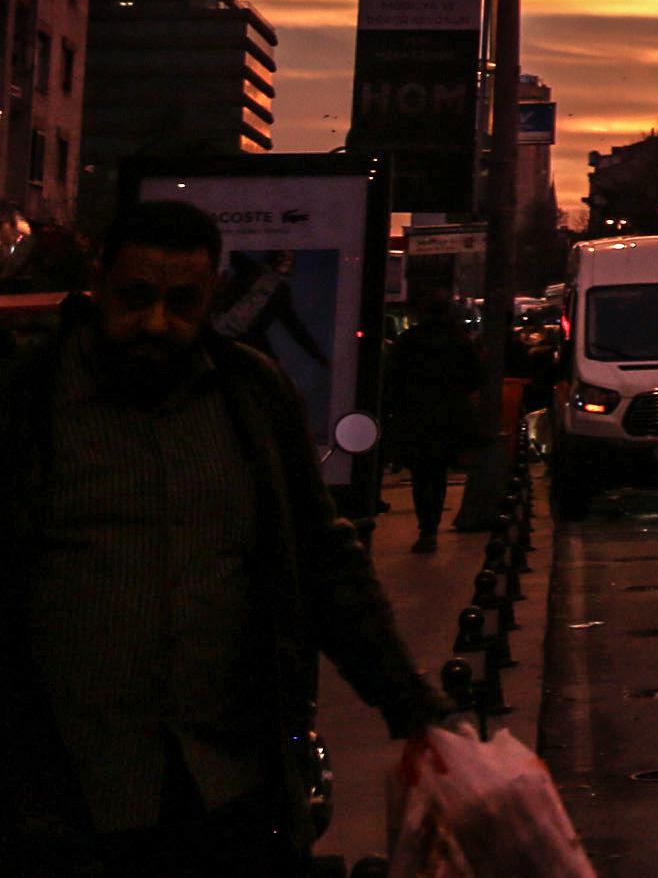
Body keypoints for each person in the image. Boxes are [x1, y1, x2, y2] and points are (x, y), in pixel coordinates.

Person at [1, 199, 449, 876]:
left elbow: (323, 560)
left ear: (211, 295)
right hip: (66, 800)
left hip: (230, 792)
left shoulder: (252, 399)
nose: (156, 321)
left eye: (182, 302)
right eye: (136, 296)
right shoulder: (29, 402)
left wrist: (411, 705)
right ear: (99, 283)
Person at [378, 304, 485, 551]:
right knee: (437, 474)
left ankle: (425, 526)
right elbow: (474, 378)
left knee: (421, 474)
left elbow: (392, 379)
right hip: (448, 415)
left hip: (415, 415)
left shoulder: (409, 341)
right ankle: (431, 526)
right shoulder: (459, 342)